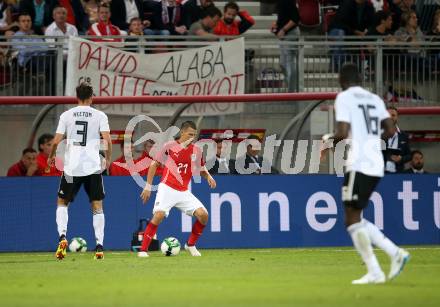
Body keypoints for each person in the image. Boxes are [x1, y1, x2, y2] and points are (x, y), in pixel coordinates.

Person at [322, 63, 409, 284]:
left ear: (342, 80)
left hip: (359, 162)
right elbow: (390, 131)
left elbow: (341, 133)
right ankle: (386, 261)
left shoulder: (344, 97)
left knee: (351, 219)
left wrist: (326, 141)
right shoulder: (375, 99)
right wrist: (369, 138)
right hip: (376, 163)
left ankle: (384, 263)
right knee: (354, 216)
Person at [47, 82, 112, 260]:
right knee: (97, 205)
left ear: (77, 97)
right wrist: (108, 158)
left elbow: (55, 141)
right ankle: (99, 246)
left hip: (71, 167)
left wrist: (51, 156)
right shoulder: (100, 115)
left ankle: (62, 236)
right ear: (92, 97)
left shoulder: (66, 115)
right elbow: (107, 139)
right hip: (92, 166)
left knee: (62, 202)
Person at [137, 121, 216, 258]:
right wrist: (148, 186)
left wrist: (208, 176)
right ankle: (143, 250)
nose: (192, 137)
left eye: (194, 135)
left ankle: (190, 245)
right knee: (159, 215)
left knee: (203, 215)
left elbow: (201, 169)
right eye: (190, 134)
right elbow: (153, 165)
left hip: (183, 191)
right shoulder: (169, 146)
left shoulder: (196, 150)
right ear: (182, 132)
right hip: (167, 187)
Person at [273, 0, 300, 92]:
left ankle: (292, 90)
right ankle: (290, 87)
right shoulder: (280, 3)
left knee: (289, 62)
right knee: (283, 63)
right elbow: (284, 17)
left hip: (290, 34)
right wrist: (276, 24)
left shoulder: (287, 2)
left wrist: (283, 29)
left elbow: (296, 18)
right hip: (284, 35)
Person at [384, 106, 411, 173]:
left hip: (398, 172)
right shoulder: (379, 134)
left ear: (397, 117)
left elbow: (409, 155)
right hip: (382, 173)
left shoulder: (404, 135)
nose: (390, 117)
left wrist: (401, 158)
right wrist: (388, 157)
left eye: (393, 115)